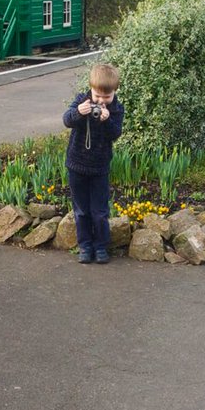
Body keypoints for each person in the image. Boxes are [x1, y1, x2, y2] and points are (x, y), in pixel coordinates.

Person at [62, 62, 125, 264]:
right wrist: (79, 112)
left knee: (99, 211)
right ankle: (85, 246)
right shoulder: (82, 101)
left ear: (115, 92)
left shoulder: (116, 109)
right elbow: (67, 120)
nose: (101, 101)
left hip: (99, 168)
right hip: (76, 165)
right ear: (90, 89)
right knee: (81, 211)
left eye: (107, 97)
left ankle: (100, 247)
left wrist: (107, 120)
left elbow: (115, 134)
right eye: (97, 96)